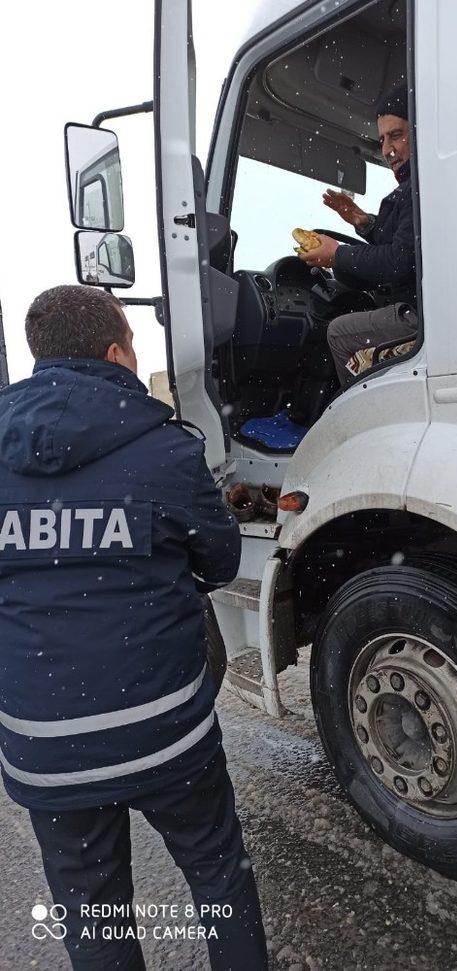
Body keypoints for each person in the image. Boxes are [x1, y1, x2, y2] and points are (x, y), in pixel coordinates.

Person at [0, 286, 267, 970]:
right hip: (164, 731)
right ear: (116, 353)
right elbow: (220, 561)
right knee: (218, 876)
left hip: (44, 747)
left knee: (93, 913)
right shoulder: (162, 446)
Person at [299, 82, 418, 384]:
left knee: (339, 333)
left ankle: (366, 408)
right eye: (382, 140)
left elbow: (398, 262)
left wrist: (337, 254)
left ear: (419, 131)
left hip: (419, 316)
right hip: (424, 310)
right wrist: (362, 222)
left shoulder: (419, 187)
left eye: (396, 135)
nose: (387, 150)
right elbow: (405, 244)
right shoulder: (415, 187)